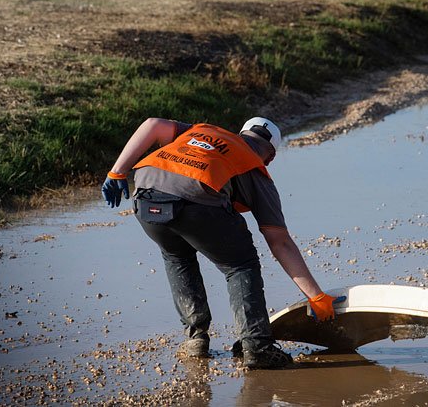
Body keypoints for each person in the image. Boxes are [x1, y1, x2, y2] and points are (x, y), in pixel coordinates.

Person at [101, 117, 343, 369]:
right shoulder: (255, 169)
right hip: (196, 202)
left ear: (240, 133)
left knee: (176, 255)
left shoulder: (204, 130)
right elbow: (280, 242)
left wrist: (117, 171)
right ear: (270, 157)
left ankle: (196, 340)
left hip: (146, 196)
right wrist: (316, 296)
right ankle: (257, 348)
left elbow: (152, 124)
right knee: (241, 265)